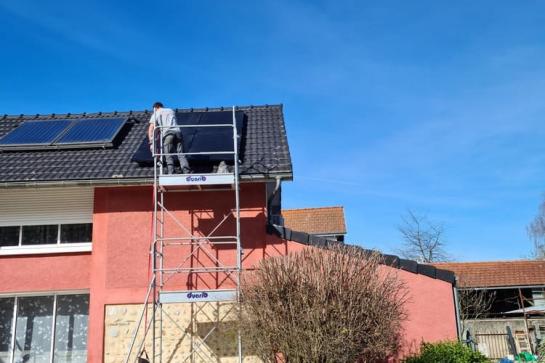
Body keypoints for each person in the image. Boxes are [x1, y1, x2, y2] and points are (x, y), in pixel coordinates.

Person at [148, 102, 191, 174]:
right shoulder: (171, 110)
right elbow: (168, 122)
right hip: (178, 132)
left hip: (168, 134)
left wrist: (151, 141)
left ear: (155, 108)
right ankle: (186, 171)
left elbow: (151, 128)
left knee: (168, 153)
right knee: (181, 153)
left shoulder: (156, 112)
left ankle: (171, 171)